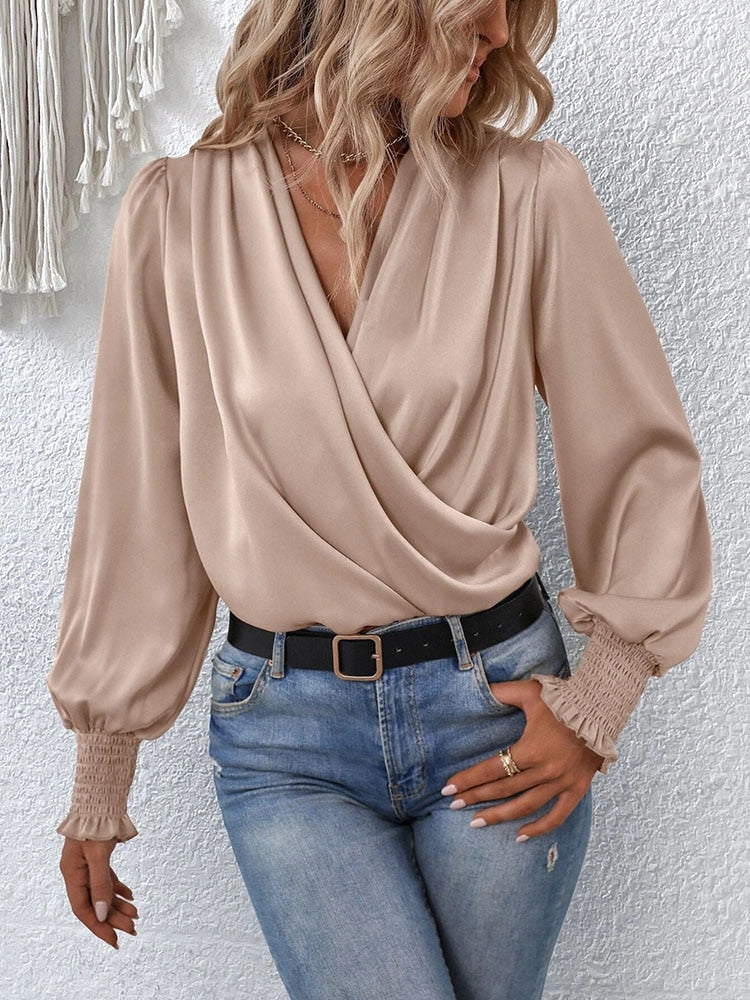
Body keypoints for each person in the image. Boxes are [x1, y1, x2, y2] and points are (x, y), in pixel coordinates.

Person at [46, 1, 712, 997]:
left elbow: (636, 450)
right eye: (478, 16)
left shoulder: (528, 194)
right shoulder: (180, 213)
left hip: (494, 708)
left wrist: (600, 699)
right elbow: (136, 500)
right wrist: (102, 771)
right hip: (286, 739)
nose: (500, 41)